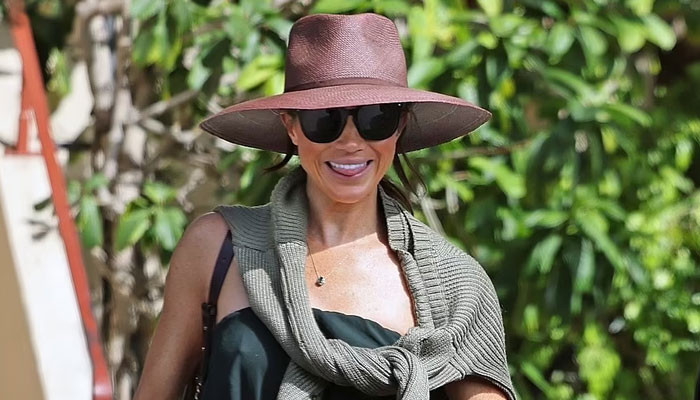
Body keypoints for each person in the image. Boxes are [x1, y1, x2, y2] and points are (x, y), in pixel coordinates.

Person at [134, 12, 516, 400]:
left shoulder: (455, 284)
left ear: (400, 126)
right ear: (291, 126)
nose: (350, 142)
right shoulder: (218, 248)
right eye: (324, 119)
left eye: (376, 119)